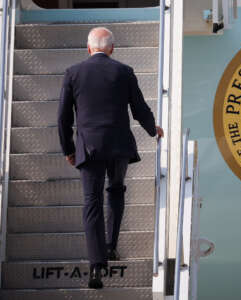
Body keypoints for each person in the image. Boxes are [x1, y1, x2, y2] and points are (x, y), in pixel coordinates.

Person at [58, 27, 164, 289]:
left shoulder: (73, 73)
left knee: (91, 202)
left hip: (89, 147)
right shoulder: (124, 72)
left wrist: (68, 150)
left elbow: (63, 118)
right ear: (112, 49)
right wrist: (154, 129)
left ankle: (96, 266)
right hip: (119, 147)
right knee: (116, 191)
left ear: (88, 48)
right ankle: (111, 247)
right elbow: (139, 108)